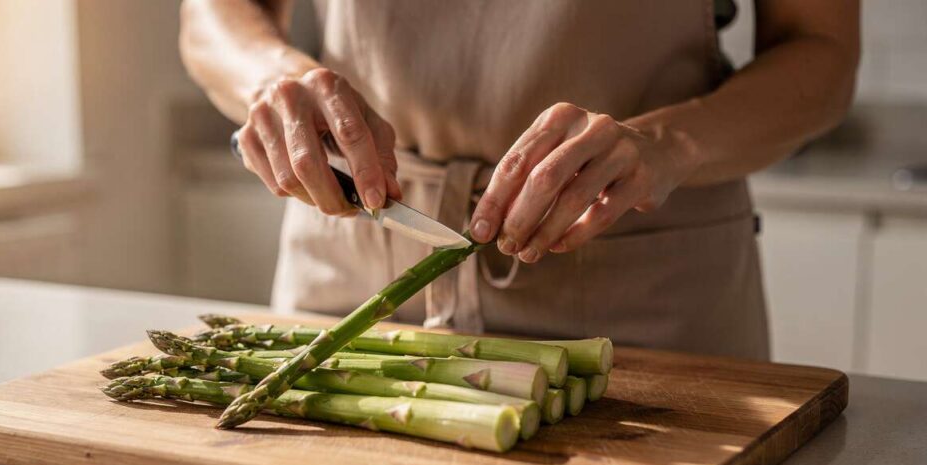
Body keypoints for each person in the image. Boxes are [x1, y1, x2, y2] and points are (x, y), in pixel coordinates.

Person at [180, 0, 859, 359]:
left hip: (646, 298)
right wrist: (271, 77)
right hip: (352, 273)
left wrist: (662, 145)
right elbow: (211, 11)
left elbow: (822, 50)